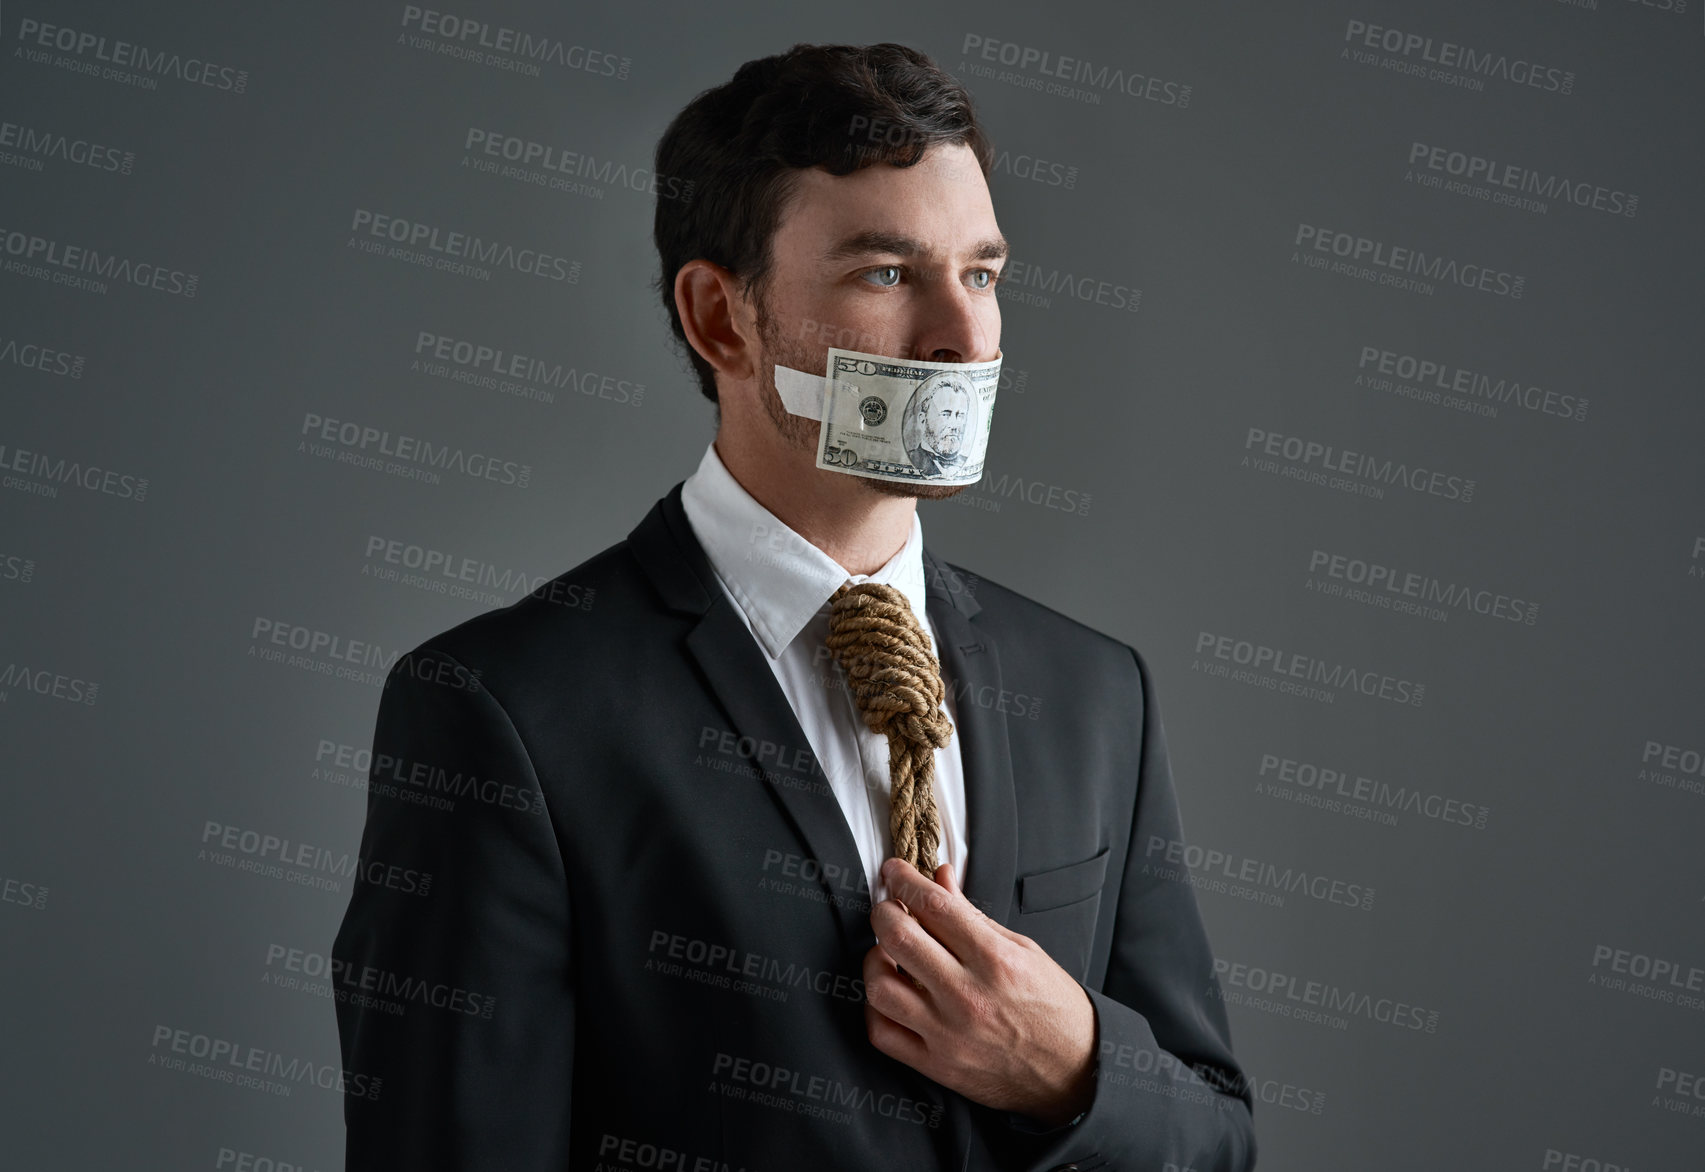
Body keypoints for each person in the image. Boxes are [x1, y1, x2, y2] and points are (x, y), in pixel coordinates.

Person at [332, 41, 1256, 1172]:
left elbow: (1216, 1137)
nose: (963, 339)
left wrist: (1073, 1070)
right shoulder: (507, 709)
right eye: (885, 273)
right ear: (721, 318)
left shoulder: (1093, 690)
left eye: (981, 272)